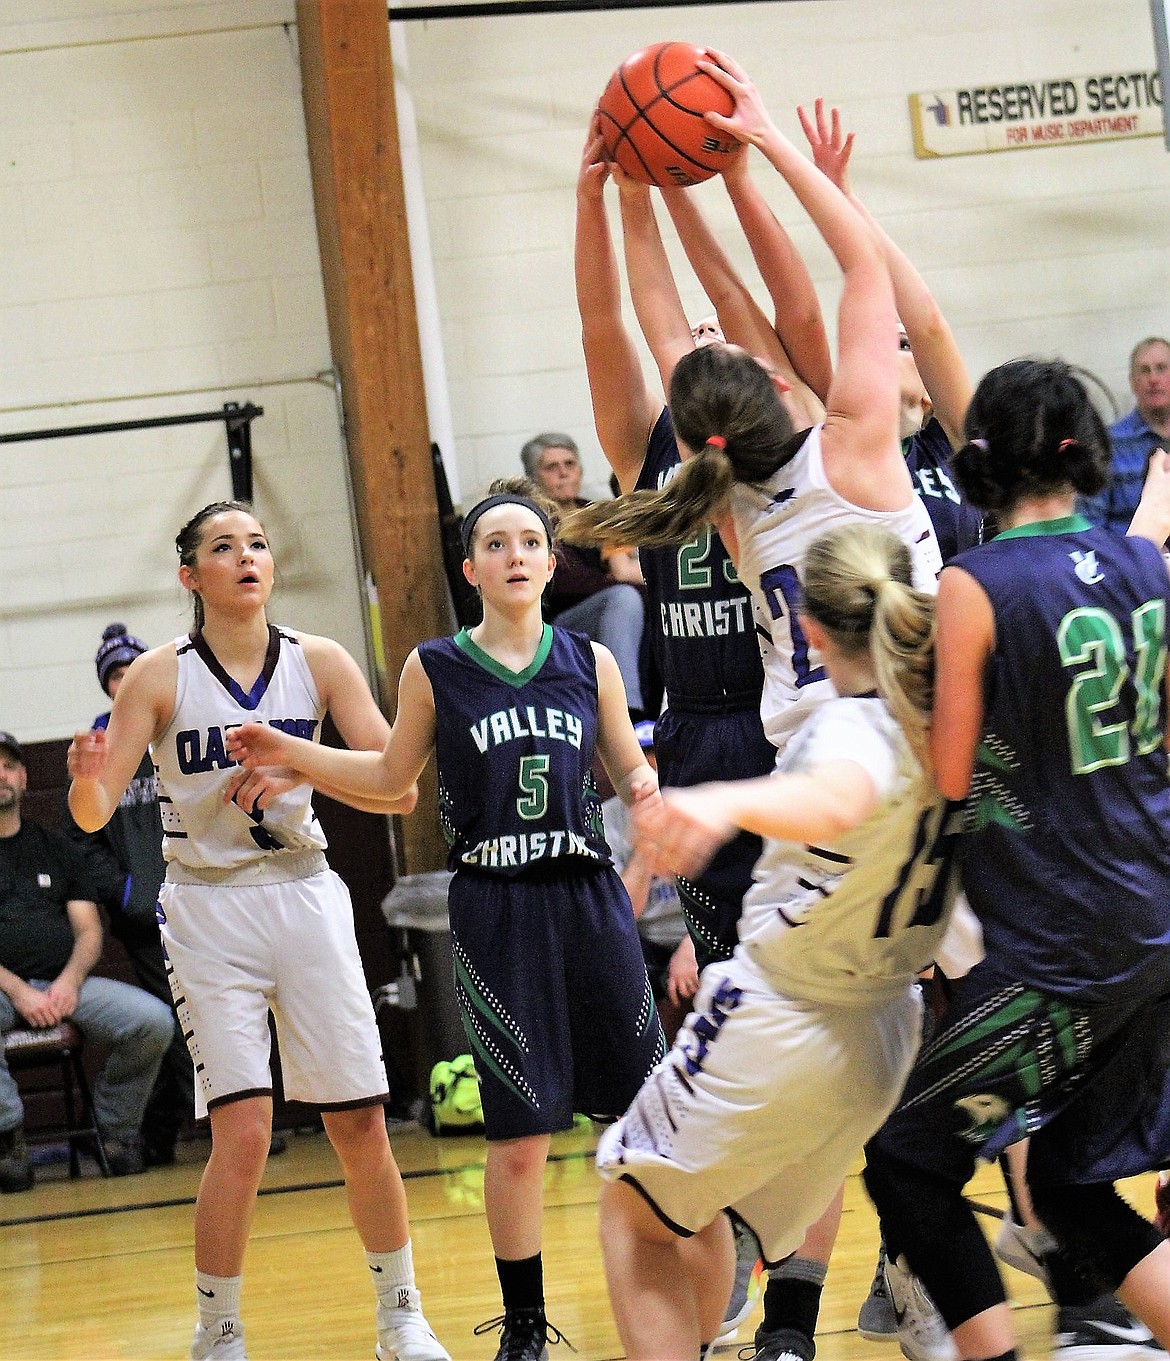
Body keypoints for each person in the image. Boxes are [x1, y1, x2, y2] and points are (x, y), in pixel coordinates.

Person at [571, 56, 944, 1361]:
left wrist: (636, 187)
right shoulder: (861, 444)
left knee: (632, 1189)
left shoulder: (733, 501)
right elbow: (836, 280)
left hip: (811, 819)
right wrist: (759, 155)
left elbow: (688, 329)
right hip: (922, 836)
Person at [224, 484, 667, 1361]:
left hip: (588, 900)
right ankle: (527, 1326)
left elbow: (637, 780)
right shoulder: (437, 664)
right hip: (496, 904)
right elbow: (393, 778)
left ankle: (674, 1289)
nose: (513, 553)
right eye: (494, 542)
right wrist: (290, 752)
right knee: (520, 1135)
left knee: (646, 1117)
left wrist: (644, 869)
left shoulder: (592, 662)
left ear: (549, 562)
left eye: (528, 540)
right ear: (470, 569)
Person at [66, 501, 448, 1361]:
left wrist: (297, 758)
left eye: (259, 543)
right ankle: (219, 1332)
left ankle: (400, 1316)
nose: (247, 556)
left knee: (360, 1125)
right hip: (208, 904)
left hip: (306, 891)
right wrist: (88, 780)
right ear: (188, 575)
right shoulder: (159, 676)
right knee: (242, 1129)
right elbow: (92, 813)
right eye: (223, 546)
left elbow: (398, 789)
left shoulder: (321, 660)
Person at [862, 358, 1170, 1361]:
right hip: (1154, 918)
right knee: (1074, 1188)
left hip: (1062, 944)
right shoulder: (1146, 565)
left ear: (982, 459)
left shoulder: (974, 580)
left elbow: (950, 774)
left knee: (908, 1165)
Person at [595, 519, 957, 1361]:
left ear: (807, 628)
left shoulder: (845, 726)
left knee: (631, 1210)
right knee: (692, 1206)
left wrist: (719, 801)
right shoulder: (945, 724)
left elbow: (837, 796)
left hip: (783, 1013)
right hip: (881, 1034)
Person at [0, 730, 173, 1190]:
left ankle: (112, 1131)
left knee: (153, 1021)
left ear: (24, 776)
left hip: (63, 986)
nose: (0, 775)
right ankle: (7, 1138)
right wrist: (19, 990)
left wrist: (68, 984)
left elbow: (88, 929)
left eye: (8, 765)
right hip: (3, 990)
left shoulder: (55, 847)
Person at [519, 432, 648, 717]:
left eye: (570, 464)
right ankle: (627, 711)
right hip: (557, 621)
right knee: (624, 598)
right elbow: (565, 581)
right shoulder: (531, 519)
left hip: (609, 608)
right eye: (552, 467)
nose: (564, 473)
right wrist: (621, 584)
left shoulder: (595, 511)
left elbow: (623, 566)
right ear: (533, 476)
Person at [602, 719, 698, 1044]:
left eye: (660, 771)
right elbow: (621, 915)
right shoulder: (608, 819)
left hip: (698, 935)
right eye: (643, 770)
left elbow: (731, 896)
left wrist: (692, 946)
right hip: (645, 941)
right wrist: (647, 846)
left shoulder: (699, 804)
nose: (651, 785)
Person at [1082, 336, 1170, 533]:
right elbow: (1092, 528)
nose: (1153, 379)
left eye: (1161, 368)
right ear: (1133, 382)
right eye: (1144, 370)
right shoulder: (1108, 444)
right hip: (1130, 559)